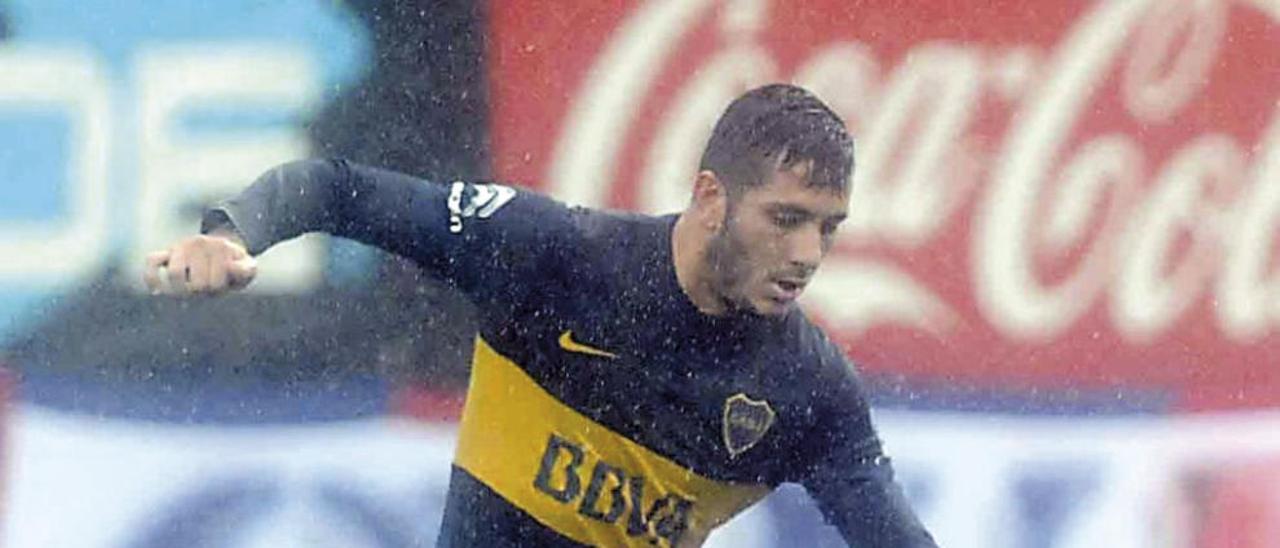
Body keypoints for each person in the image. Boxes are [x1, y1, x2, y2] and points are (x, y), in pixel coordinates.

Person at [144, 84, 937, 547]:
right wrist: (230, 233)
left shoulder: (812, 389)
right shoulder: (553, 253)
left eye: (828, 228)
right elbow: (332, 186)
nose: (807, 253)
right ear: (709, 197)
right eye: (786, 218)